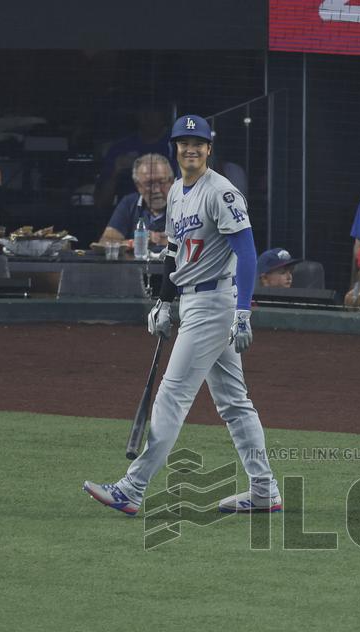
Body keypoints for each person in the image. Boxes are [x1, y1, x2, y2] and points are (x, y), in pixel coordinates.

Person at [83, 114, 281, 517]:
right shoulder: (177, 191)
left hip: (214, 306)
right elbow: (174, 251)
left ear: (209, 149)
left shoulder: (221, 192)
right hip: (192, 301)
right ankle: (264, 489)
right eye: (183, 143)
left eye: (198, 143)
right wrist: (165, 300)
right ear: (174, 149)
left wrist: (243, 312)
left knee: (172, 396)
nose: (190, 149)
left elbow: (246, 253)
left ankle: (132, 488)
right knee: (234, 403)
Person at [94, 104, 172, 216]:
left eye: (154, 111)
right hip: (130, 221)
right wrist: (115, 172)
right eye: (144, 111)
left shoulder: (178, 147)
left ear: (164, 115)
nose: (148, 117)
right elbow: (101, 203)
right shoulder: (121, 148)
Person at [98, 153, 173, 247]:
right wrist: (137, 242)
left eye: (162, 182)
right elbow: (105, 242)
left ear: (171, 181)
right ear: (138, 186)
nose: (156, 190)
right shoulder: (129, 203)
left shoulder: (186, 204)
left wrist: (171, 242)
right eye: (149, 184)